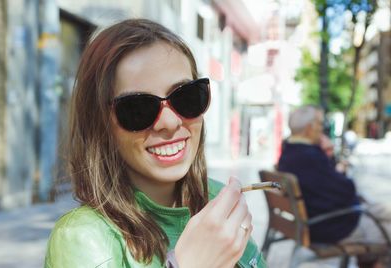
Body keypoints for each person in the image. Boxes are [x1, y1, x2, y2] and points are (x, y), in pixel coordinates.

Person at [44, 19, 266, 268]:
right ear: (99, 125)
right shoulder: (81, 239)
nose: (170, 122)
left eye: (186, 97)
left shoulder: (216, 199)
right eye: (138, 108)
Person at [278, 105, 391, 266]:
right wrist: (339, 168)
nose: (322, 129)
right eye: (320, 124)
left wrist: (328, 156)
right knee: (386, 230)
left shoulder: (290, 152)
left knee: (385, 211)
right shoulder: (310, 157)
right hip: (332, 227)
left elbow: (327, 188)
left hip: (320, 221)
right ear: (310, 127)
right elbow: (347, 190)